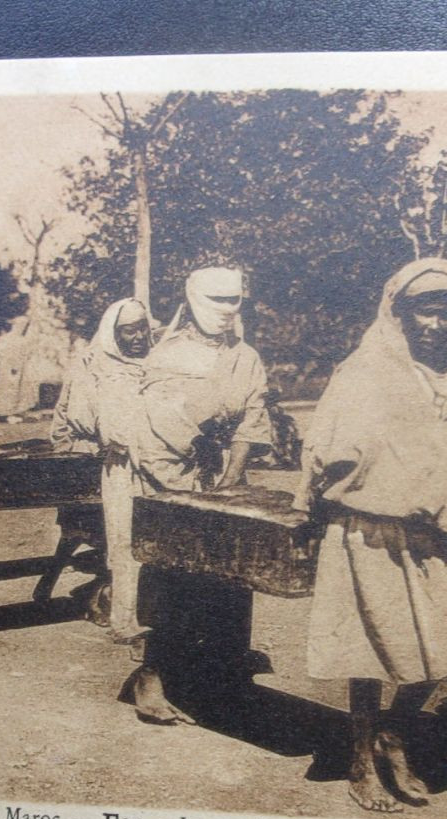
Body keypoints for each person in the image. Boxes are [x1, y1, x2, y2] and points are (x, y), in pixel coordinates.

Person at [298, 258, 447, 812]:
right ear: (400, 312)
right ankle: (361, 758)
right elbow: (330, 446)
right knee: (370, 648)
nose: (434, 321)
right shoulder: (366, 370)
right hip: (373, 526)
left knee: (444, 645)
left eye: (445, 309)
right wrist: (320, 502)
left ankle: (395, 732)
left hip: (440, 531)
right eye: (422, 309)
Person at [123, 267, 274, 725]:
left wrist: (232, 477)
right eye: (216, 299)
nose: (226, 309)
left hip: (218, 477)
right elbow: (152, 427)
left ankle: (218, 676)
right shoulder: (168, 355)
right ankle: (151, 677)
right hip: (168, 474)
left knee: (230, 575)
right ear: (192, 299)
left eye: (234, 300)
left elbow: (252, 415)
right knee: (173, 574)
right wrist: (180, 486)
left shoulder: (246, 356)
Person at [53, 297, 154, 644]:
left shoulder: (157, 363)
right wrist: (105, 439)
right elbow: (78, 416)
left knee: (156, 540)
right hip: (121, 466)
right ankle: (125, 619)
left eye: (143, 327)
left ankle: (154, 614)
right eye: (129, 330)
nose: (139, 336)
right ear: (114, 333)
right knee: (124, 539)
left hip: (158, 465)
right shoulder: (95, 365)